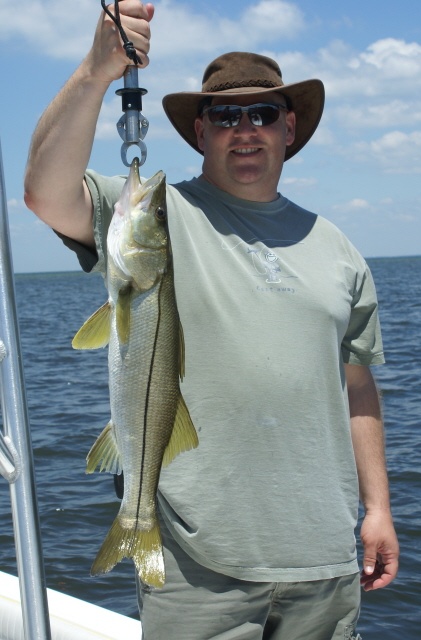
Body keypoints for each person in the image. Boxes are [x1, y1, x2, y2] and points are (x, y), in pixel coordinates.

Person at [24, 2, 399, 639]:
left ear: (289, 129)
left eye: (263, 113)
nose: (245, 129)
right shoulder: (153, 214)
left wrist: (380, 509)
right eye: (225, 115)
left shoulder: (340, 250)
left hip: (325, 559)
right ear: (201, 132)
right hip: (197, 563)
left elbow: (357, 388)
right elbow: (46, 192)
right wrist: (95, 72)